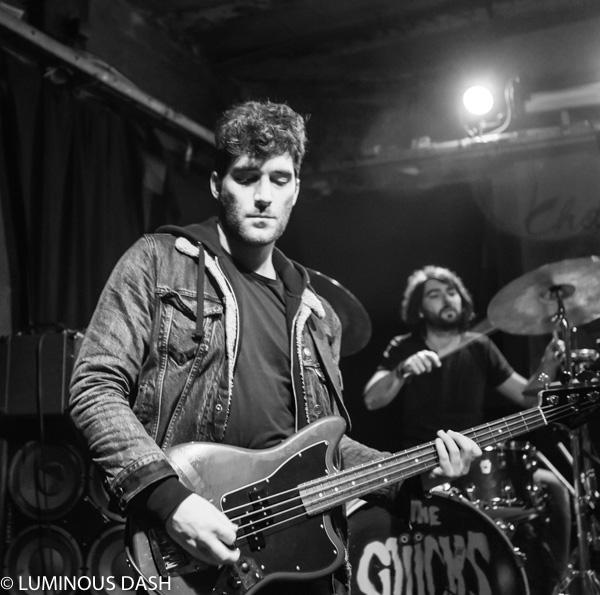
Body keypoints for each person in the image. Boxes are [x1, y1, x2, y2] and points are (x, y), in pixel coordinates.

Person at [68, 102, 481, 595]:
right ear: (217, 184)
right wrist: (169, 499)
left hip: (304, 561)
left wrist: (413, 476)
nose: (264, 196)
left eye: (279, 179)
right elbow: (94, 387)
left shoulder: (317, 314)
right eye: (247, 178)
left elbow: (326, 447)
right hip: (191, 548)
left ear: (296, 190)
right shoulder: (157, 262)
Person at [363, 264, 572, 594]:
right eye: (434, 294)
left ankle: (555, 585)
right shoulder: (404, 346)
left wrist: (547, 365)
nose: (447, 299)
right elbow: (372, 399)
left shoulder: (480, 346)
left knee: (554, 486)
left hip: (475, 462)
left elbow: (527, 398)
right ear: (420, 309)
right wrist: (401, 371)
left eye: (452, 292)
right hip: (423, 465)